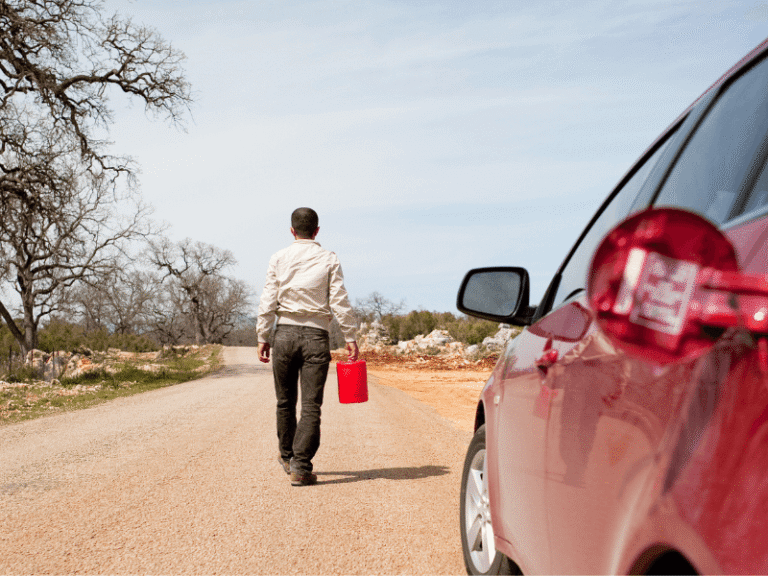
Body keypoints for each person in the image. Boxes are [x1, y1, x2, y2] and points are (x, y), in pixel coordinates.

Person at [257, 207, 359, 486]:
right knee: (312, 406)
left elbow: (268, 299)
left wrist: (263, 336)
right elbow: (339, 299)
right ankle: (301, 467)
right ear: (316, 231)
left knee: (285, 401)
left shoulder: (278, 258)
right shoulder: (329, 259)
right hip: (316, 336)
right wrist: (350, 336)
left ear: (292, 231)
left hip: (285, 335)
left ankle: (288, 456)